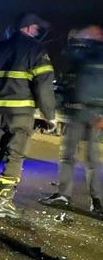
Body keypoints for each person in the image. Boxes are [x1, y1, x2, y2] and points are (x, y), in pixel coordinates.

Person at [0, 12, 56, 218]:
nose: (37, 32)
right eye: (36, 28)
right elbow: (44, 85)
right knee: (15, 155)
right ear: (28, 27)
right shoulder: (36, 50)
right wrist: (49, 115)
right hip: (21, 113)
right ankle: (3, 204)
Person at [40, 25, 103, 215]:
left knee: (90, 159)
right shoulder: (80, 53)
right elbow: (67, 78)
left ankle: (97, 200)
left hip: (92, 114)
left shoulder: (93, 54)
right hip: (75, 112)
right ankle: (65, 195)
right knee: (69, 156)